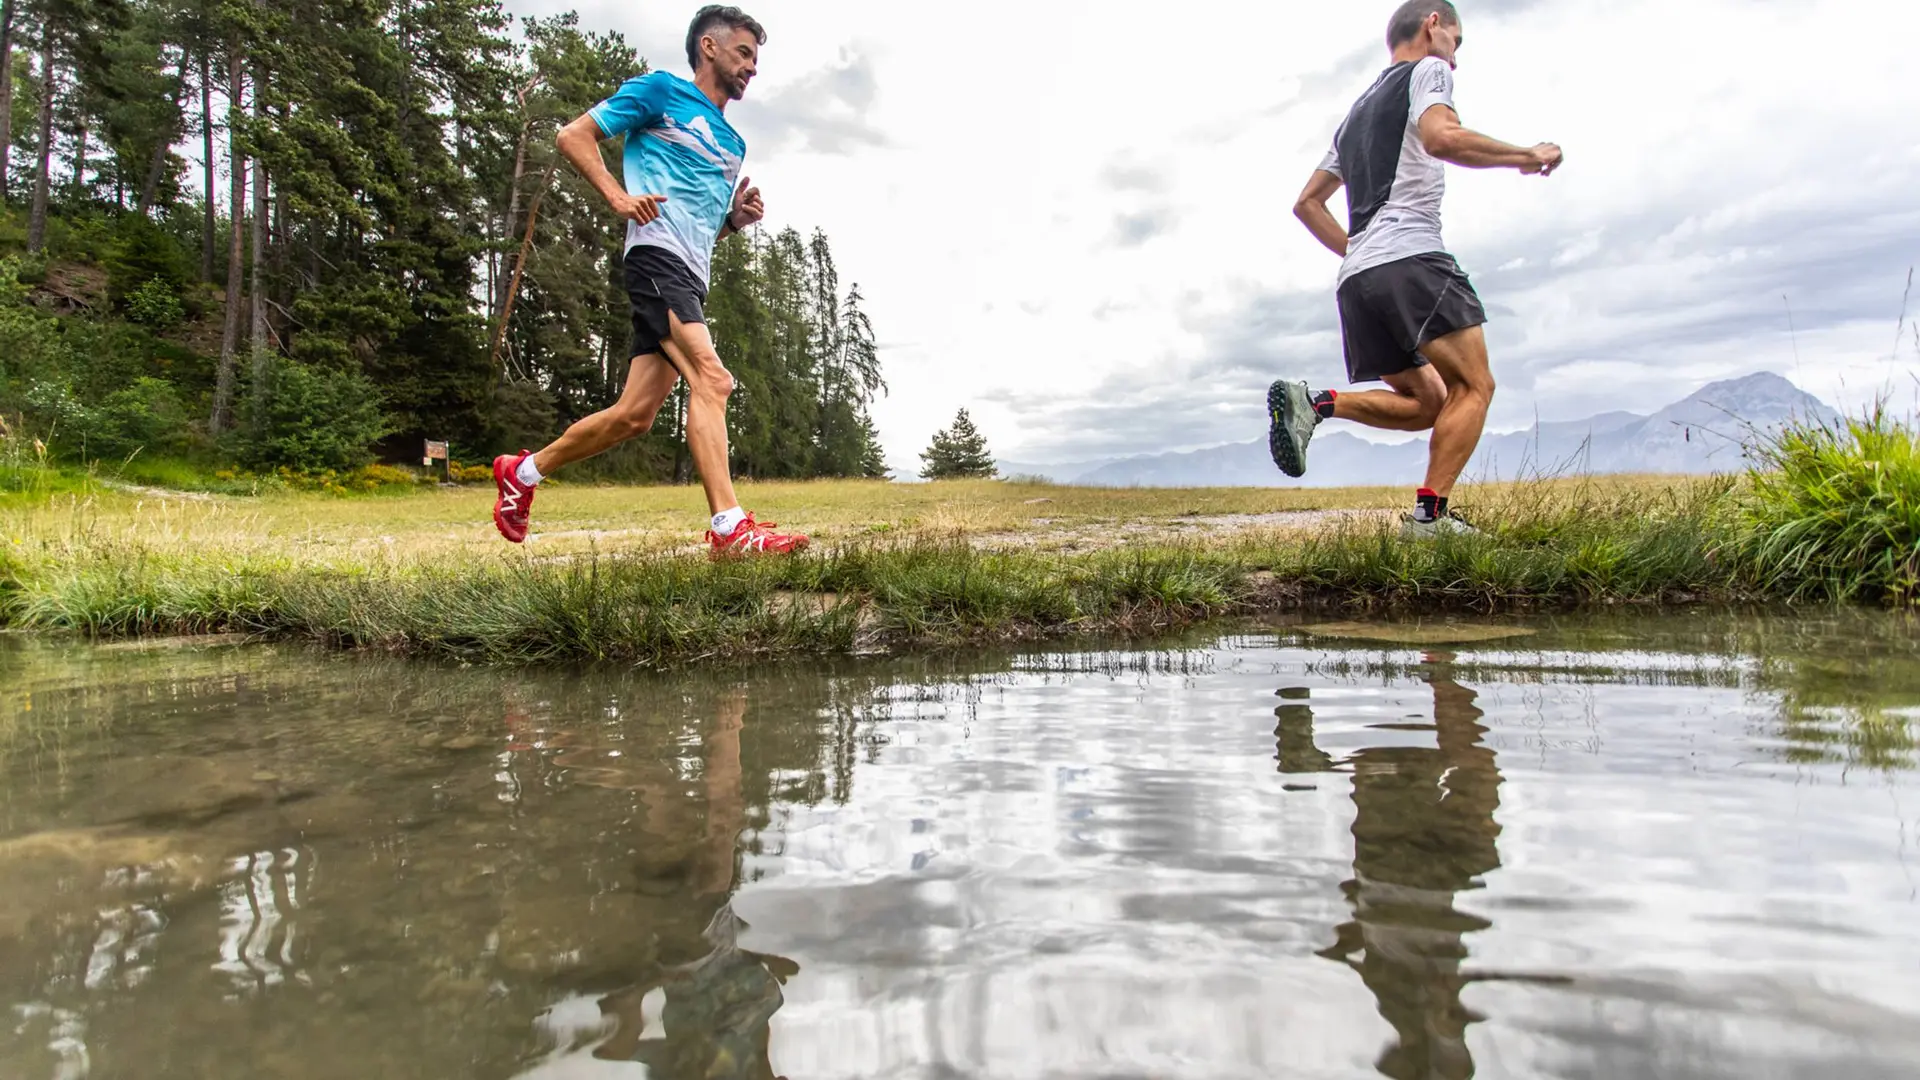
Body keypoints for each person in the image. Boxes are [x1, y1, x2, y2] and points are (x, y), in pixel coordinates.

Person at [491, 5, 810, 557]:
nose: (752, 68)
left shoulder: (734, 146)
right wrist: (617, 196)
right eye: (743, 54)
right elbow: (574, 136)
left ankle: (523, 473)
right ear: (709, 48)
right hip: (655, 260)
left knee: (634, 416)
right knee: (714, 380)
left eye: (756, 60)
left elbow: (702, 230)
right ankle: (730, 529)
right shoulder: (660, 92)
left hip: (689, 270)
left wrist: (734, 219)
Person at [1270, 1, 1562, 537]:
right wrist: (1525, 154)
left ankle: (1315, 404)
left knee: (1428, 401)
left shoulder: (1354, 117)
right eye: (1456, 40)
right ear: (1433, 24)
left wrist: (1364, 254)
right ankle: (1430, 519)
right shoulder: (1426, 72)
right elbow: (1441, 138)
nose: (1455, 59)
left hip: (1359, 280)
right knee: (1474, 385)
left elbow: (1307, 204)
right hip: (1410, 256)